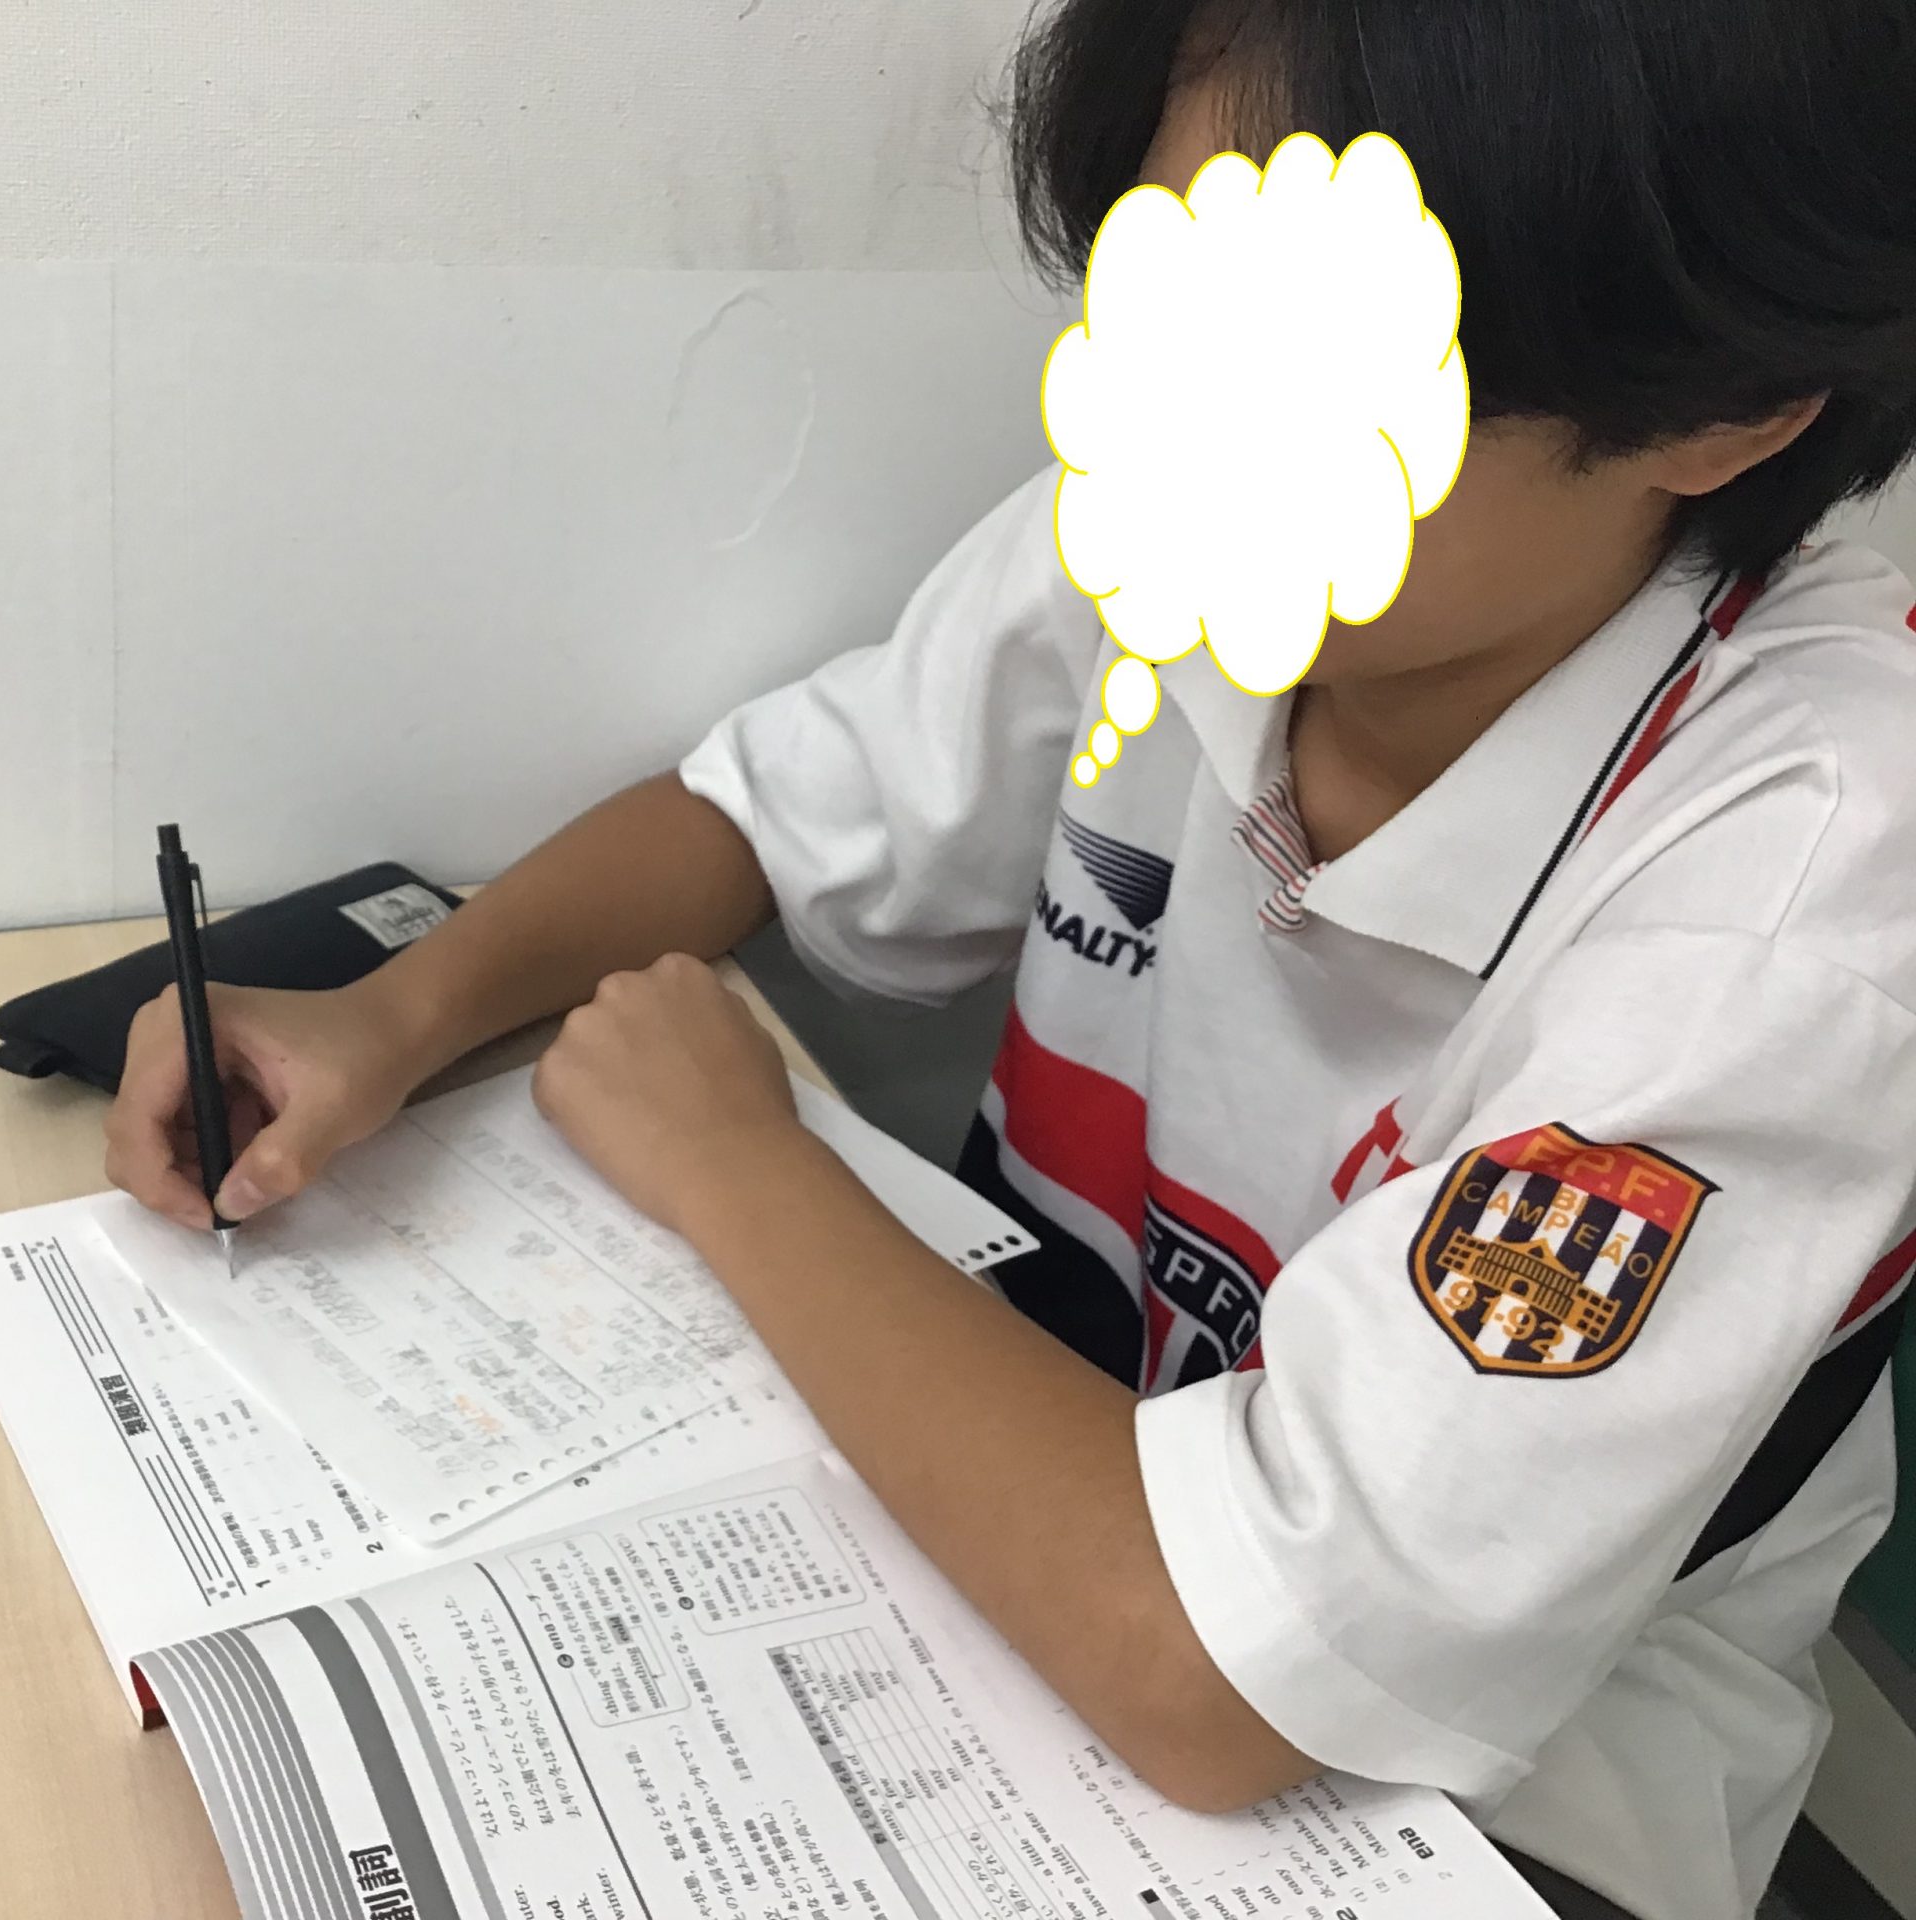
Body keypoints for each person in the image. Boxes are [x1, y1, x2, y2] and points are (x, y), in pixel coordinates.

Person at [107, 4, 1916, 1915]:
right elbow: (766, 817)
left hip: (1486, 1812)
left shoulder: (1804, 898)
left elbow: (1224, 1681)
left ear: (1725, 404)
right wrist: (399, 1011)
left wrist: (738, 1164)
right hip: (1028, 1532)